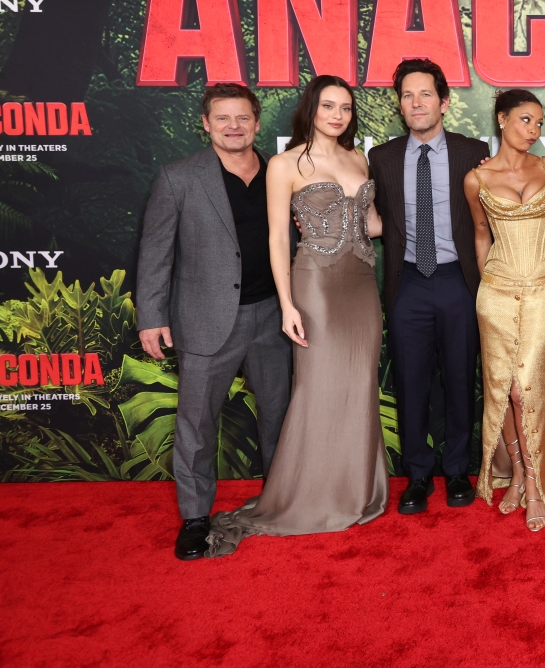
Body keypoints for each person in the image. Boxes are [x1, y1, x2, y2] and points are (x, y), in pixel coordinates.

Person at [202, 75, 388, 556]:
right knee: (318, 387)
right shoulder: (285, 164)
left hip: (362, 284)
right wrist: (287, 305)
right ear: (311, 109)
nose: (337, 115)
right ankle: (311, 496)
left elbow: (370, 224)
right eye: (328, 106)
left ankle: (354, 490)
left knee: (359, 385)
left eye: (345, 108)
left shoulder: (358, 158)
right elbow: (277, 238)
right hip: (316, 286)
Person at [137, 83, 292, 561]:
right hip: (205, 320)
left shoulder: (280, 172)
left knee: (280, 418)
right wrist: (151, 316)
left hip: (273, 317)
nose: (233, 126)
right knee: (197, 425)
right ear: (205, 124)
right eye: (222, 118)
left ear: (257, 123)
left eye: (242, 117)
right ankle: (195, 517)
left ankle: (281, 500)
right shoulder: (178, 178)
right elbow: (156, 252)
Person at [464, 89, 545, 531]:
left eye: (539, 122)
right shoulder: (476, 179)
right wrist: (486, 288)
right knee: (504, 388)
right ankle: (517, 474)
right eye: (525, 119)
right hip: (496, 293)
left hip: (543, 289)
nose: (534, 130)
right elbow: (481, 236)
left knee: (527, 389)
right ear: (502, 119)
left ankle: (537, 485)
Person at [367, 59, 490, 515]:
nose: (416, 103)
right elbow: (371, 218)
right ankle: (417, 475)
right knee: (410, 381)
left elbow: (507, 201)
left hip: (458, 280)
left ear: (444, 102)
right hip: (408, 285)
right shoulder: (381, 158)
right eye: (407, 95)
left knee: (460, 377)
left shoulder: (473, 152)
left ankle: (457, 470)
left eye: (425, 94)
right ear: (399, 105)